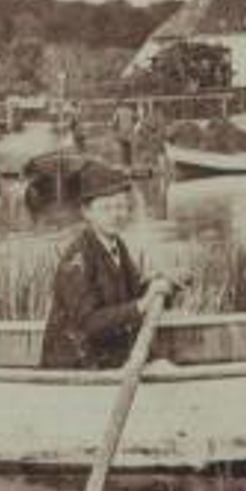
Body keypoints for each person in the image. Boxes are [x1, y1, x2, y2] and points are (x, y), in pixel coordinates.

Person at [39, 162, 177, 369]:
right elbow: (88, 323)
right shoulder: (77, 260)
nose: (116, 214)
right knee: (164, 371)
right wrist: (142, 304)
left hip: (106, 356)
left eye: (121, 206)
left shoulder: (116, 245)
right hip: (76, 364)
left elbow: (132, 296)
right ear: (87, 212)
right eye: (107, 208)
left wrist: (161, 285)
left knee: (164, 367)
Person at [111, 99, 137, 167]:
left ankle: (124, 165)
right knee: (129, 149)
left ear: (118, 105)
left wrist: (113, 128)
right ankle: (129, 165)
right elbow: (136, 118)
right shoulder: (129, 110)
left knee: (123, 149)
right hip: (129, 132)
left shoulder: (117, 112)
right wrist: (133, 126)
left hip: (122, 131)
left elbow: (114, 122)